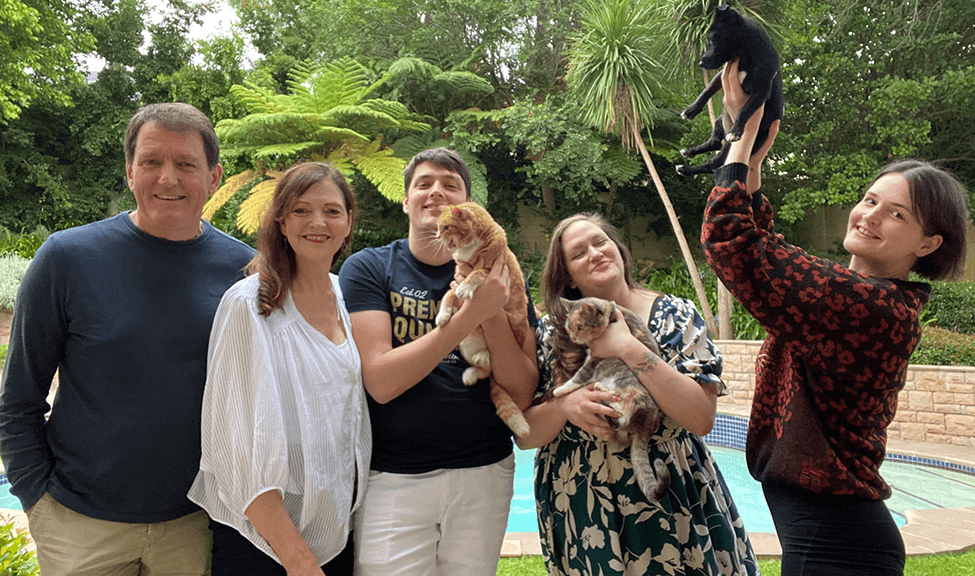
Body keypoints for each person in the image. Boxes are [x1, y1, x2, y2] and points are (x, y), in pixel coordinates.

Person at [702, 61, 969, 576]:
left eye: (898, 214)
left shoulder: (872, 307)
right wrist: (753, 160)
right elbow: (766, 250)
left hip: (838, 544)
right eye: (871, 199)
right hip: (829, 535)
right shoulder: (856, 298)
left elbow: (733, 241)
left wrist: (740, 138)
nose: (870, 215)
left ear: (928, 243)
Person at [0, 103, 256, 575]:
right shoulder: (67, 259)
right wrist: (39, 502)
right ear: (130, 172)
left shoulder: (246, 272)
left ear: (214, 178)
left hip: (194, 525)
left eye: (186, 164)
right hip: (79, 526)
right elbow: (18, 401)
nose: (167, 179)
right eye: (151, 162)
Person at [337, 147, 539, 576]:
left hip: (485, 471)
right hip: (393, 477)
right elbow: (381, 381)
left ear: (469, 207)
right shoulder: (370, 268)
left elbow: (521, 391)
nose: (436, 192)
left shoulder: (504, 271)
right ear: (406, 200)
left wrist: (495, 313)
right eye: (423, 184)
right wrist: (471, 314)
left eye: (451, 185)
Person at [522, 213, 760, 576]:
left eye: (601, 242)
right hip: (583, 500)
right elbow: (526, 435)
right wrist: (563, 404)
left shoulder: (674, 315)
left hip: (674, 492)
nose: (595, 252)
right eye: (579, 252)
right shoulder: (552, 332)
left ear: (618, 250)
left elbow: (701, 418)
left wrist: (629, 348)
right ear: (566, 273)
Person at [188, 162, 370, 576]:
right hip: (267, 546)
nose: (317, 222)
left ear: (348, 222)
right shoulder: (248, 304)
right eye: (302, 210)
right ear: (281, 222)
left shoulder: (347, 297)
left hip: (332, 537)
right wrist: (298, 560)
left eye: (331, 211)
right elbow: (232, 447)